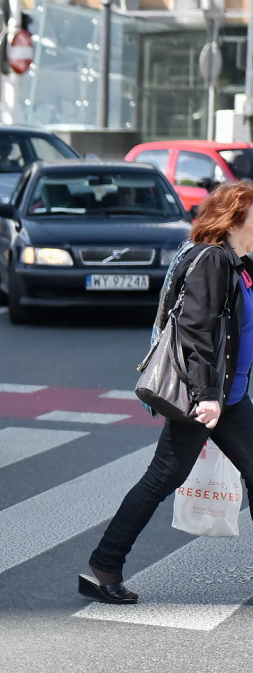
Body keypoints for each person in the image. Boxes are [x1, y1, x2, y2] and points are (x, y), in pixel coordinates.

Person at [80, 181, 253, 605]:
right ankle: (103, 566)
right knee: (161, 478)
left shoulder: (239, 263)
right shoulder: (213, 261)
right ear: (236, 219)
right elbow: (195, 331)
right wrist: (205, 395)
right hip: (207, 399)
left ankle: (103, 564)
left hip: (230, 396)